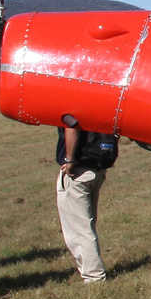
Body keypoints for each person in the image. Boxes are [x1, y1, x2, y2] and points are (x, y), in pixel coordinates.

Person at [55, 121, 115, 283]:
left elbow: (71, 124)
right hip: (98, 169)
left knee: (80, 228)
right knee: (87, 224)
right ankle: (88, 270)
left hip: (79, 172)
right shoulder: (103, 101)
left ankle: (94, 276)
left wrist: (70, 159)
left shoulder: (73, 101)